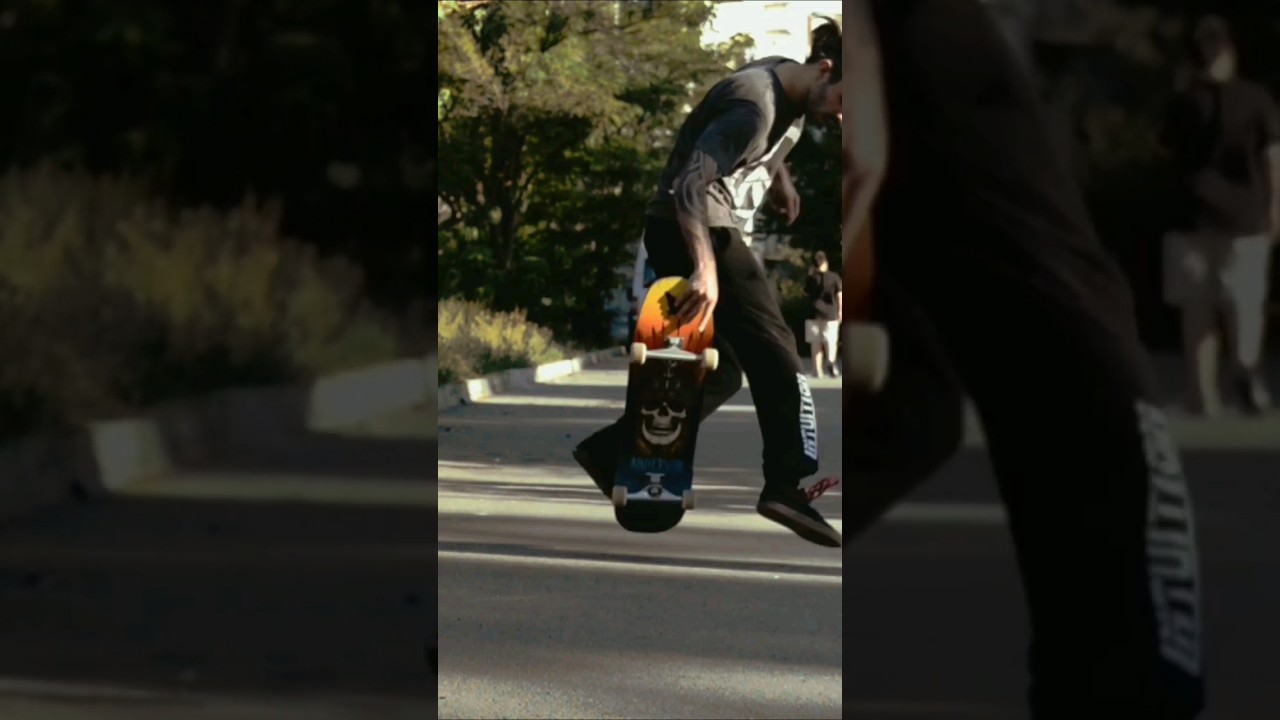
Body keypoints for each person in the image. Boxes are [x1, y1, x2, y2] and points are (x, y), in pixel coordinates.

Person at [840, 2, 1203, 718]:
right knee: (1144, 651)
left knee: (913, 418)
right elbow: (859, 155)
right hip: (1064, 319)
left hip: (969, 222)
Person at [573, 21, 845, 548]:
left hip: (687, 226)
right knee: (777, 351)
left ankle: (607, 451)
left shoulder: (779, 74)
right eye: (840, 103)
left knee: (721, 374)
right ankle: (784, 486)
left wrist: (778, 177)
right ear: (826, 70)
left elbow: (757, 144)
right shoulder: (754, 106)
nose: (839, 118)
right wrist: (704, 269)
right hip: (696, 227)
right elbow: (690, 185)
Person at [1161, 15, 1280, 417]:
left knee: (1197, 310)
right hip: (1246, 217)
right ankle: (1246, 371)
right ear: (1229, 52)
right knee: (1244, 304)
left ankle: (1201, 393)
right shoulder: (1257, 99)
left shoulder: (1181, 103)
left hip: (1190, 214)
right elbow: (1272, 158)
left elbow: (1168, 154)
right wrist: (1276, 207)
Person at [804, 250, 843, 378]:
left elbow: (805, 294)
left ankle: (817, 370)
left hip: (813, 313)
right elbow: (839, 296)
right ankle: (831, 363)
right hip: (831, 314)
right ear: (825, 262)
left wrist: (810, 274)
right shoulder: (834, 277)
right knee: (830, 341)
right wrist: (840, 311)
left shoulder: (810, 279)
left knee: (815, 343)